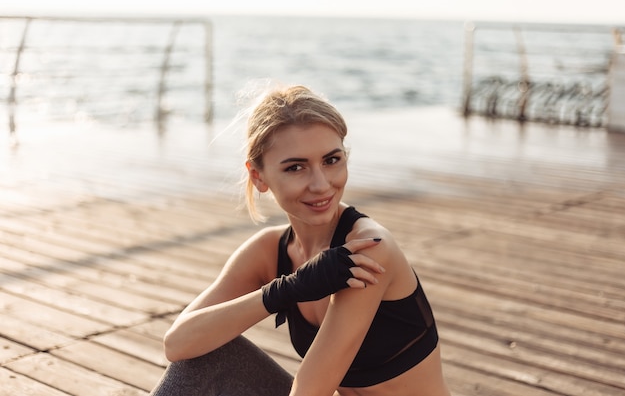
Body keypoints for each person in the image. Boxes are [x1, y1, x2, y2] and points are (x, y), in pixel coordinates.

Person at [150, 85, 450, 396]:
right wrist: (287, 289)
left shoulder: (369, 249)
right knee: (202, 357)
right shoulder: (268, 251)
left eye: (331, 160)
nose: (321, 184)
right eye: (296, 167)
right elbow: (177, 344)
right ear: (258, 177)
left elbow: (309, 390)